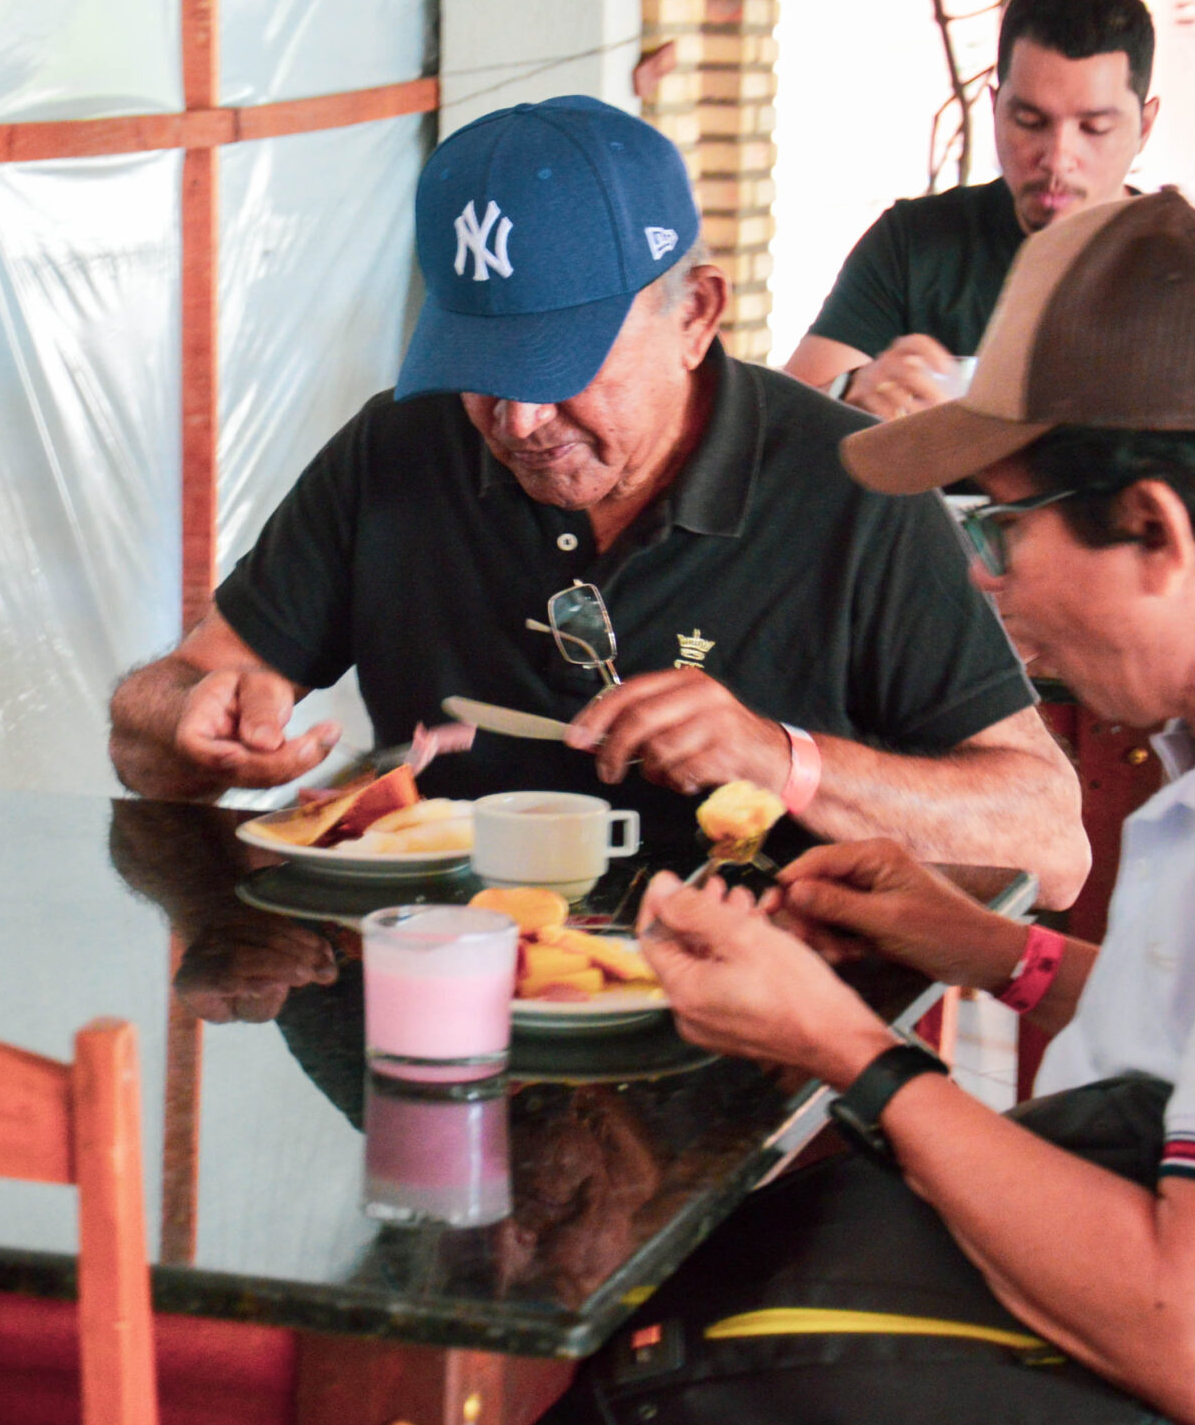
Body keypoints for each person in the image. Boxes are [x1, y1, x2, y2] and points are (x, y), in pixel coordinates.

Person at [510, 191, 1195, 1425]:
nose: (989, 580)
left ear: (1156, 531)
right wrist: (991, 949)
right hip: (1147, 1315)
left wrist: (847, 1046)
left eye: (1002, 527)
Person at [108, 95, 1089, 898]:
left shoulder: (853, 486)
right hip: (435, 990)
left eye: (559, 363)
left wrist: (781, 761)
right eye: (481, 367)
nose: (519, 419)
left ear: (696, 314)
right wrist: (194, 723)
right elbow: (148, 734)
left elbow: (1051, 849)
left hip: (760, 1020)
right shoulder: (396, 450)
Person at [785, 0, 1160, 419]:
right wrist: (849, 393)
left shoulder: (1194, 274)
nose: (1058, 158)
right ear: (995, 109)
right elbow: (784, 420)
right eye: (1030, 122)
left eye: (1094, 128)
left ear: (1145, 127)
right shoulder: (915, 245)